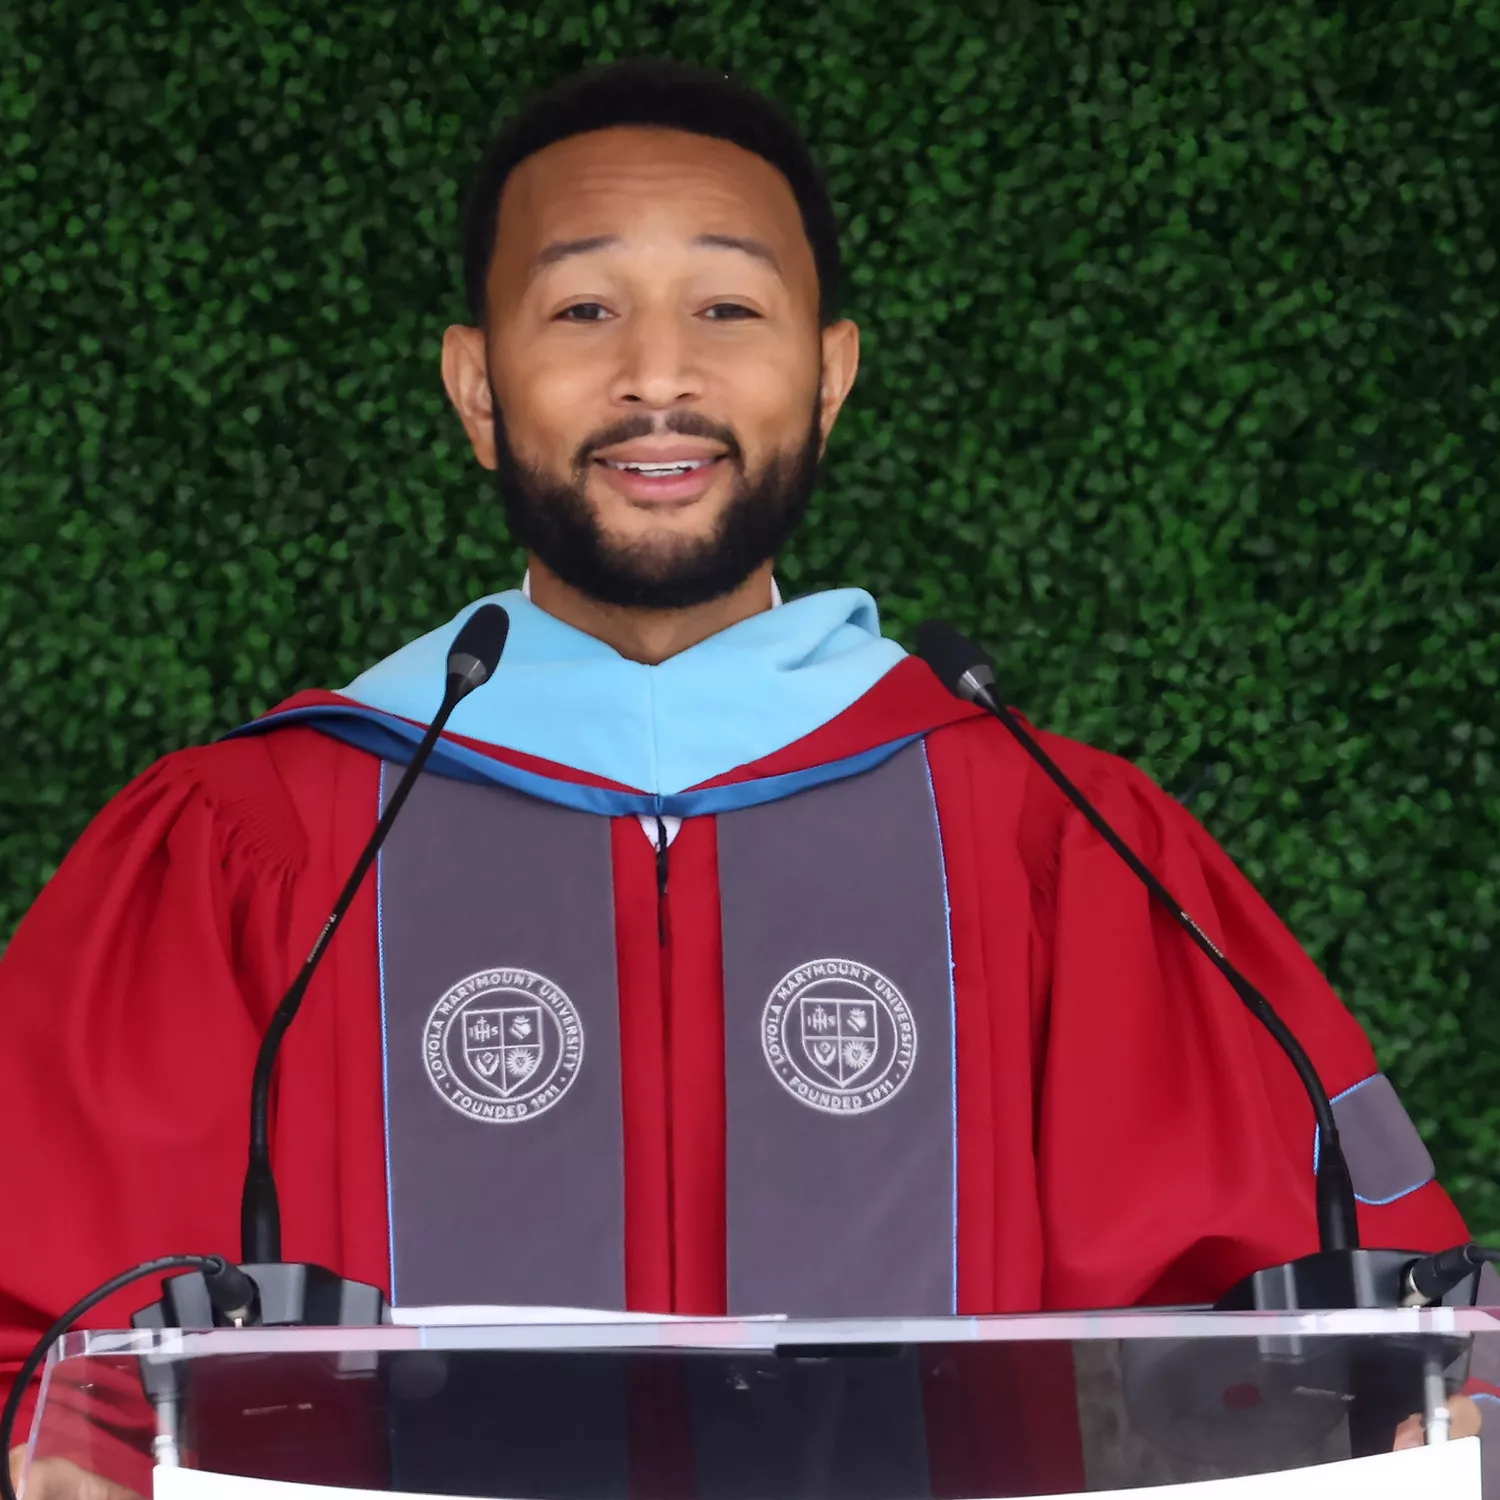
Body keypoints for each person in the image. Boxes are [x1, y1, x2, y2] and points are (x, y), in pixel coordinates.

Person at [1, 57, 1484, 1498]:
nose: (658, 374)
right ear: (475, 384)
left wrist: (1425, 1412)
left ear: (829, 373)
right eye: (582, 309)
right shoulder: (259, 844)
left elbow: (1354, 1331)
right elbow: (42, 1335)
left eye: (729, 307)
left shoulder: (1049, 839)